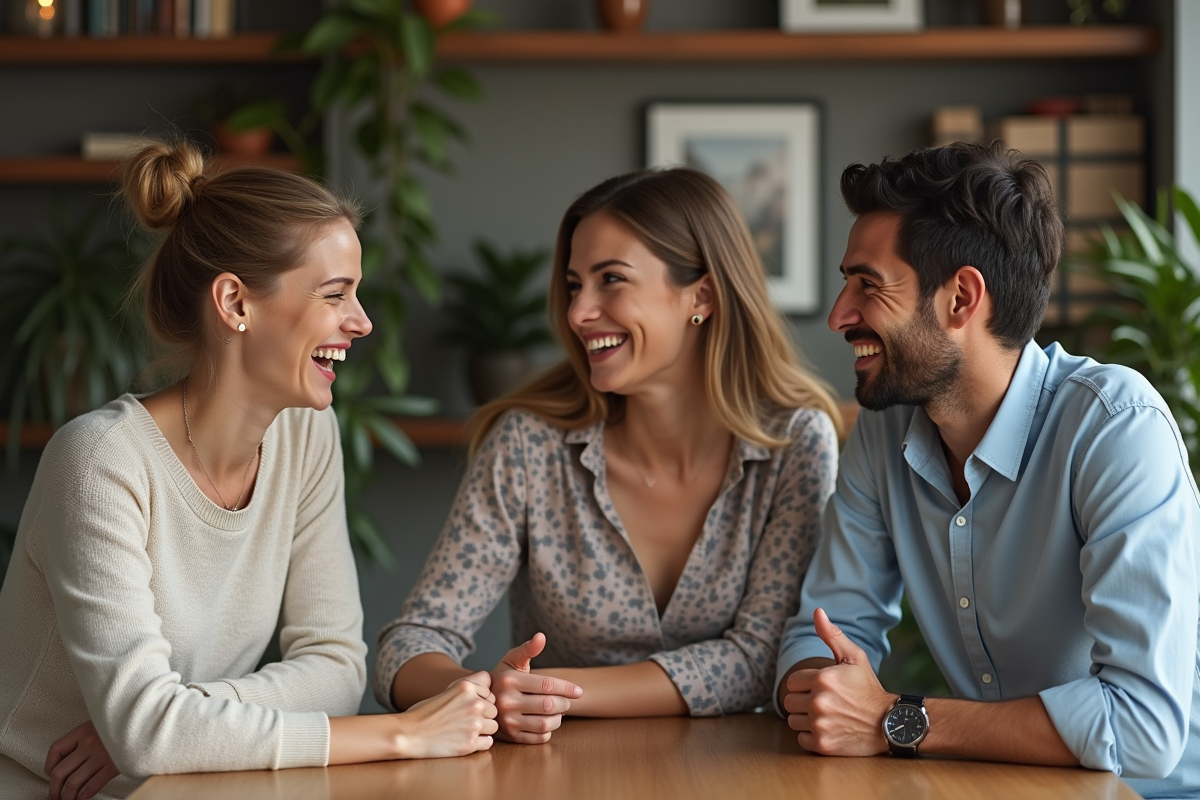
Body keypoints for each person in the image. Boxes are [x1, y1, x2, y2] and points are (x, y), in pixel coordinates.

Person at [0, 140, 497, 800]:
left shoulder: (305, 434)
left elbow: (337, 665)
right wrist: (404, 735)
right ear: (235, 303)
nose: (362, 321)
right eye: (334, 294)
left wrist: (180, 716)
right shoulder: (100, 462)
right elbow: (150, 736)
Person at [774, 141, 1199, 799]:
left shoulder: (1116, 427)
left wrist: (894, 719)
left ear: (960, 299)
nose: (838, 315)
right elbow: (825, 627)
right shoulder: (884, 428)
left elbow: (1142, 730)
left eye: (867, 285)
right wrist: (823, 694)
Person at [375, 168, 842, 742]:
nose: (577, 313)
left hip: (738, 771)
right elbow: (411, 642)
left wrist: (554, 694)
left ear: (703, 295)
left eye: (611, 280)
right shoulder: (526, 444)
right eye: (574, 285)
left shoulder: (795, 444)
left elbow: (760, 659)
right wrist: (479, 694)